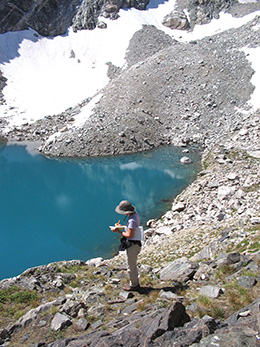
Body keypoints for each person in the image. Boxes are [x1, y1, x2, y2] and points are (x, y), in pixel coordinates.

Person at [110, 200, 142, 291]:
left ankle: (134, 285)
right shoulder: (135, 215)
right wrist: (123, 227)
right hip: (136, 242)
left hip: (133, 245)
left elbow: (129, 235)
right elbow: (131, 228)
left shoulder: (131, 220)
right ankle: (134, 283)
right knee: (132, 264)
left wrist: (119, 231)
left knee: (131, 266)